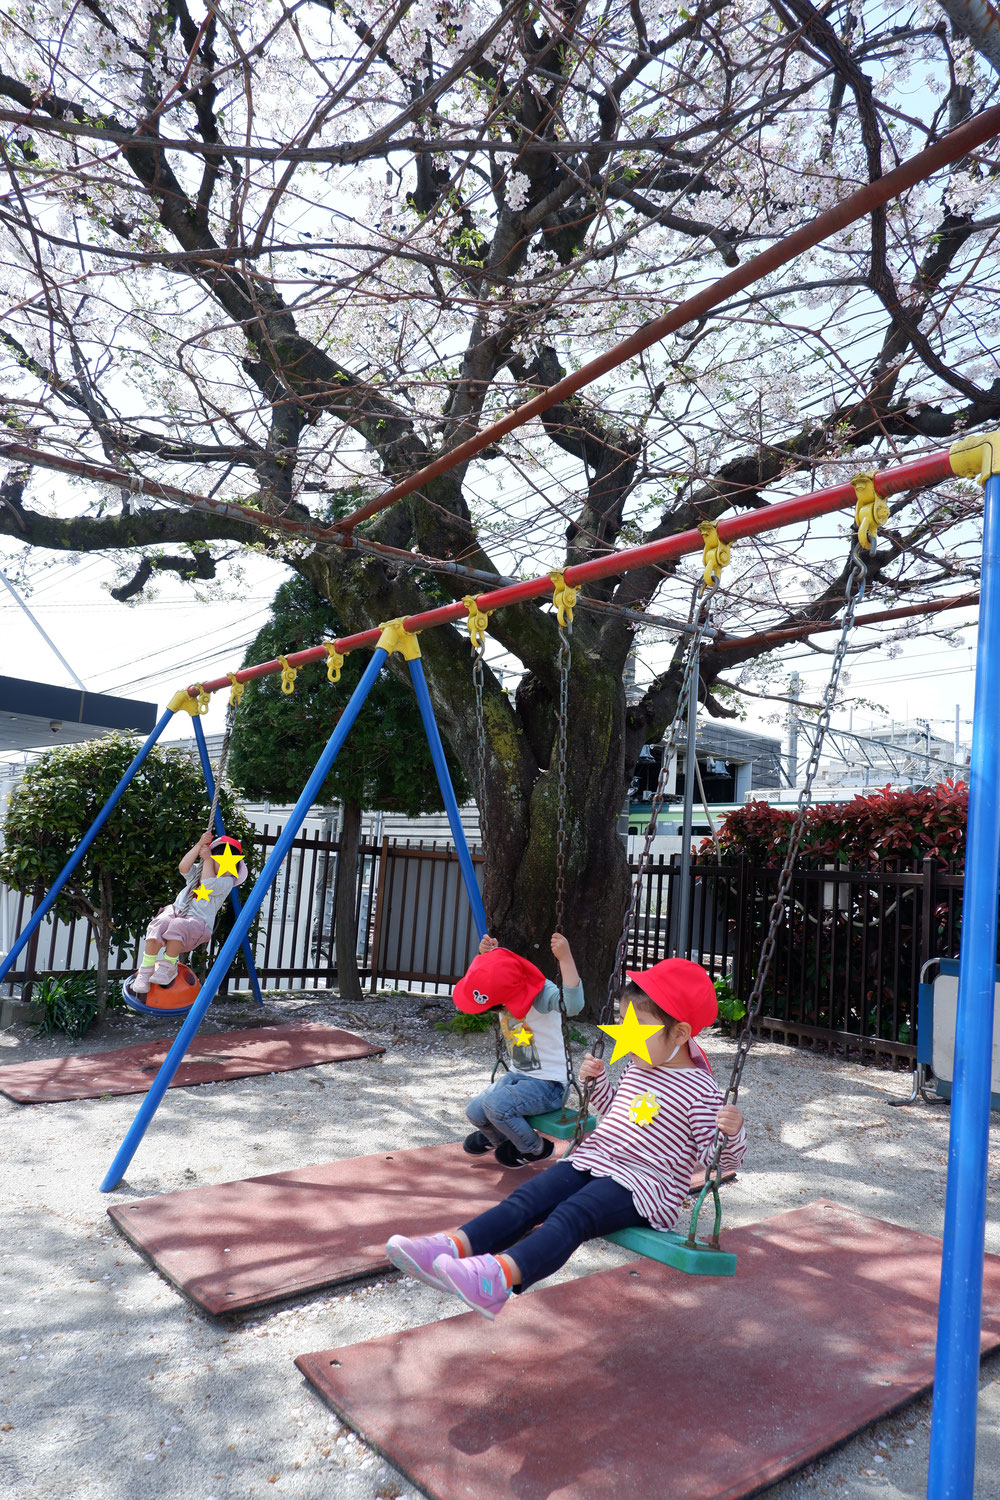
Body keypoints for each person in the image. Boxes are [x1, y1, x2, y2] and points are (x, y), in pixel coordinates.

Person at [387, 956, 747, 1319]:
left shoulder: (700, 1091)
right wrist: (599, 1083)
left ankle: (497, 1279)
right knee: (528, 1198)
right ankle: (450, 1247)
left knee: (572, 1214)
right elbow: (614, 1111)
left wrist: (731, 1134)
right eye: (624, 1023)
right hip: (596, 1160)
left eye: (639, 1026)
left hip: (645, 1185)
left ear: (681, 1033)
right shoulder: (639, 1066)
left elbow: (719, 1159)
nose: (627, 1034)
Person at [456, 932, 585, 1169]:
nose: (497, 1013)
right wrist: (486, 956)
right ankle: (504, 1139)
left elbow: (573, 1005)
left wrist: (565, 958)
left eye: (498, 1008)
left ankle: (535, 1148)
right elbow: (498, 974)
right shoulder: (507, 982)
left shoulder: (540, 995)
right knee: (475, 1111)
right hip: (519, 1076)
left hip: (550, 1084)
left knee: (495, 1106)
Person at [132, 832, 247, 993]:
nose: (226, 869)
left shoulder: (226, 882)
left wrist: (207, 859)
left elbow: (208, 883)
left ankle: (168, 966)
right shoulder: (199, 872)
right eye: (221, 862)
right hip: (177, 911)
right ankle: (145, 971)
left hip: (198, 923)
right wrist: (200, 844)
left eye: (232, 865)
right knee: (159, 923)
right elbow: (183, 867)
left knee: (178, 925)